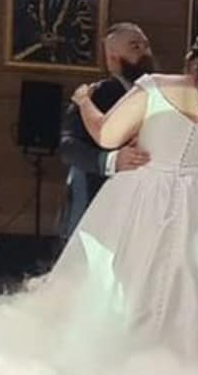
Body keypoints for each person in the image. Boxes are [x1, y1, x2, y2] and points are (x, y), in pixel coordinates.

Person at [46, 31, 198, 370]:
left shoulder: (154, 86)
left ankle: (117, 359)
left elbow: (106, 134)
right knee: (188, 290)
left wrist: (83, 102)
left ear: (190, 56)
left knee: (127, 276)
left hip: (143, 192)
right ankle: (178, 367)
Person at [58, 23, 154, 241]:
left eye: (146, 46)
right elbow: (68, 147)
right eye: (135, 46)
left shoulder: (159, 94)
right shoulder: (96, 95)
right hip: (96, 197)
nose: (145, 52)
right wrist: (108, 161)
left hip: (142, 203)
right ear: (112, 57)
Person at [25, 0, 94, 65]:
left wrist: (61, 38)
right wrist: (39, 35)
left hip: (64, 49)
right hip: (40, 46)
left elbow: (83, 26)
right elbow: (29, 17)